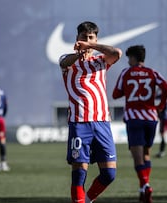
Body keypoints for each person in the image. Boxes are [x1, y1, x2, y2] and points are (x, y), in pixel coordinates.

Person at [59, 21, 122, 203]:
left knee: (109, 174)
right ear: (76, 39)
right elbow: (64, 61)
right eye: (83, 37)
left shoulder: (101, 61)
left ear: (96, 40)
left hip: (102, 123)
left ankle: (86, 200)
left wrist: (91, 46)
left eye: (91, 37)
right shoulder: (68, 61)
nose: (87, 41)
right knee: (79, 174)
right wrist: (79, 52)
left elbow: (117, 53)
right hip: (80, 124)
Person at [112, 45, 167, 203]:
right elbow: (166, 88)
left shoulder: (126, 73)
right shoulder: (152, 73)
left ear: (133, 58)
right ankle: (142, 189)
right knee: (146, 154)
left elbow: (115, 94)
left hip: (134, 119)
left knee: (137, 156)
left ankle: (146, 185)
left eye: (128, 58)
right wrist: (160, 105)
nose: (128, 61)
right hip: (151, 118)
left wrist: (128, 90)